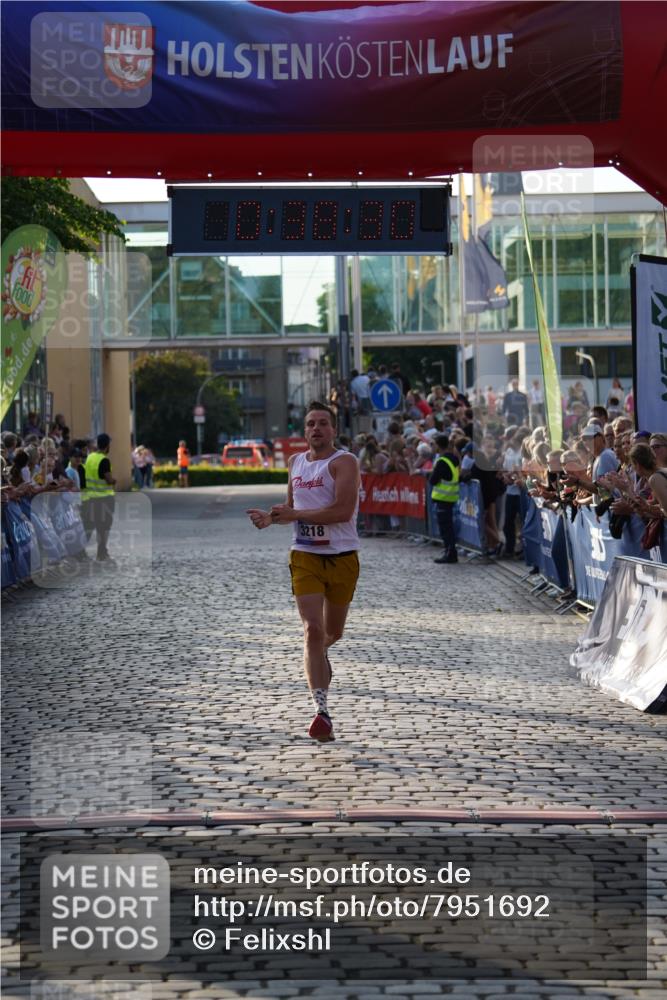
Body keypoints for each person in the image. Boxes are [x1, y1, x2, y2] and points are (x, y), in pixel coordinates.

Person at [246, 402, 361, 744]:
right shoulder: (296, 462)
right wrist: (271, 518)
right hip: (305, 556)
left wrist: (295, 515)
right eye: (311, 424)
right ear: (305, 430)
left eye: (323, 423)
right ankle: (321, 711)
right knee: (312, 630)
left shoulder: (344, 462)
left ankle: (319, 657)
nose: (316, 429)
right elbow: (291, 510)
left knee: (333, 633)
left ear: (334, 430)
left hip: (342, 557)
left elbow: (342, 511)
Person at [82, 432, 116, 564]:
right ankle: (102, 553)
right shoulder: (104, 460)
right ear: (107, 446)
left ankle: (79, 552)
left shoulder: (90, 457)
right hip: (104, 499)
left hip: (90, 498)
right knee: (104, 528)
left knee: (89, 527)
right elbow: (108, 479)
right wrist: (114, 481)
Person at [430, 434, 460, 564]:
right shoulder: (454, 458)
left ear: (438, 445)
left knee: (445, 528)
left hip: (443, 498)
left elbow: (433, 480)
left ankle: (450, 553)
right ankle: (450, 551)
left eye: (434, 444)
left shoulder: (442, 461)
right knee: (448, 527)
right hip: (451, 497)